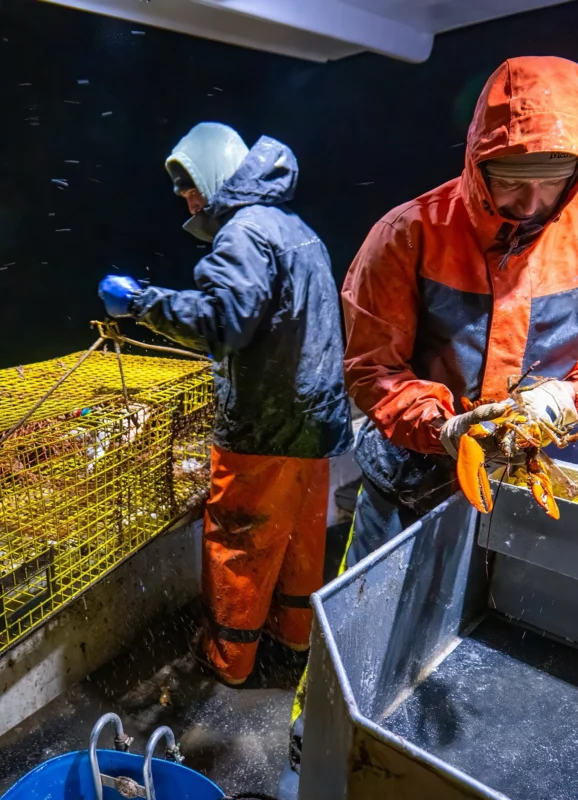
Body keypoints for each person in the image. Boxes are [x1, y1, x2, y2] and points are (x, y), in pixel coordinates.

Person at [341, 54, 578, 566]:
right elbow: (373, 369)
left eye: (551, 181)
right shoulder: (406, 234)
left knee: (519, 617)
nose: (530, 201)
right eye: (510, 179)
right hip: (410, 479)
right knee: (364, 625)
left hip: (537, 476)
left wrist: (572, 398)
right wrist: (442, 428)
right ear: (478, 162)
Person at [98, 123, 353, 686]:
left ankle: (228, 660)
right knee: (300, 540)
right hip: (318, 428)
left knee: (239, 541)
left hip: (264, 430)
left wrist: (141, 302)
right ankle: (293, 644)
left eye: (191, 185)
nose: (186, 199)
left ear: (217, 174)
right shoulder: (296, 228)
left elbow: (222, 322)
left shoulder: (242, 234)